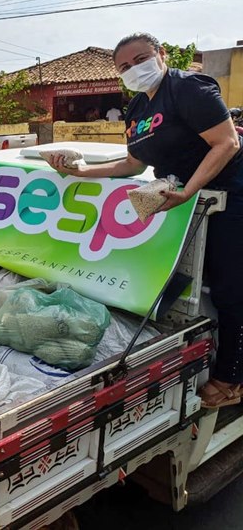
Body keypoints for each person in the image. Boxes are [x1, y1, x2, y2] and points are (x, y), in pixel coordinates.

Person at [44, 32, 243, 408]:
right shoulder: (136, 109)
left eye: (140, 59)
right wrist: (80, 171)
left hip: (228, 194)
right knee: (203, 284)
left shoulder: (188, 88)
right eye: (123, 67)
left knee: (230, 288)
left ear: (161, 55)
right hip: (183, 199)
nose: (133, 70)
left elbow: (226, 143)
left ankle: (232, 377)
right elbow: (133, 164)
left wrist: (188, 192)